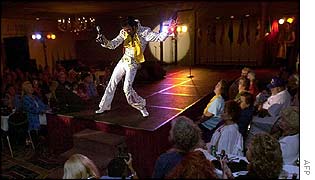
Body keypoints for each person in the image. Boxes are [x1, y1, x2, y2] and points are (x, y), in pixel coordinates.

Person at [95, 16, 173, 117]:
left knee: (127, 89)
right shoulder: (123, 32)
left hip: (133, 63)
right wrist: (104, 41)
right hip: (124, 60)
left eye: (128, 29)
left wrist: (168, 30)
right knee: (111, 83)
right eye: (124, 29)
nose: (126, 31)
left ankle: (141, 106)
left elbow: (159, 37)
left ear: (134, 26)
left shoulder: (145, 32)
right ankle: (104, 106)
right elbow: (113, 44)